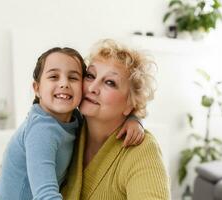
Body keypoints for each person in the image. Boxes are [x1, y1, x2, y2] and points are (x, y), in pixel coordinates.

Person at [0, 47, 143, 200]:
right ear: (37, 88)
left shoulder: (74, 119)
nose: (64, 84)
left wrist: (133, 120)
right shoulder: (42, 131)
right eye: (54, 76)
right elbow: (45, 194)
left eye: (73, 78)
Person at [61, 39, 170, 200]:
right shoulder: (66, 130)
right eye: (90, 76)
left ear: (130, 104)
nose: (92, 88)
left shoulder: (142, 150)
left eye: (110, 83)